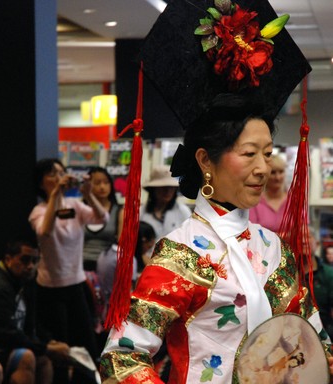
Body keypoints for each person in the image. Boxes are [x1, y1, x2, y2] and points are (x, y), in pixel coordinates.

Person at [99, 0, 333, 382]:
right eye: (248, 153)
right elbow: (121, 358)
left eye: (268, 154)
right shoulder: (182, 253)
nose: (262, 168)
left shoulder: (273, 248)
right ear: (207, 160)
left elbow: (315, 341)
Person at [29, 158, 109, 383]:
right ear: (41, 181)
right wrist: (56, 195)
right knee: (60, 351)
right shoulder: (38, 210)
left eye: (61, 172)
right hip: (50, 288)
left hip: (76, 285)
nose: (58, 177)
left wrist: (87, 192)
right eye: (53, 174)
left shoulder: (74, 206)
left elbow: (102, 218)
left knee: (88, 345)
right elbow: (45, 231)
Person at [0, 239, 70, 384]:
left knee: (43, 360)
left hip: (8, 345)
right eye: (25, 260)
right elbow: (5, 333)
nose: (30, 266)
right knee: (27, 357)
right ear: (8, 259)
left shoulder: (24, 281)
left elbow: (31, 323)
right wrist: (45, 348)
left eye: (35, 260)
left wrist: (49, 342)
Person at [83, 167, 124, 272]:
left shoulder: (119, 211)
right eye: (97, 183)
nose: (102, 187)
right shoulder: (81, 209)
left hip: (107, 266)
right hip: (80, 265)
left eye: (106, 182)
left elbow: (121, 243)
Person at [140, 165, 192, 241]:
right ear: (153, 189)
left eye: (171, 187)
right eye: (163, 187)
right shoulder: (141, 212)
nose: (168, 191)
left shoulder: (183, 211)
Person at [303, 226, 333, 341]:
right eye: (299, 237)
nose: (304, 240)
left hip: (325, 340)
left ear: (317, 243)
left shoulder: (329, 275)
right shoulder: (286, 275)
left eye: (308, 236)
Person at [249, 154, 288, 232]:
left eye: (281, 172)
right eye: (273, 172)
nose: (278, 177)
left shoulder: (295, 201)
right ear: (265, 175)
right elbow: (252, 234)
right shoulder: (254, 202)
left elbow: (303, 231)